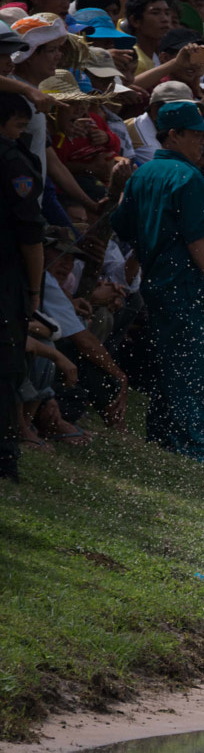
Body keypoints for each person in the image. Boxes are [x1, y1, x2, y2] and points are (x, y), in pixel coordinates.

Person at [106, 100, 204, 462]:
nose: (201, 143)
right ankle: (188, 445)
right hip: (188, 283)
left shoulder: (141, 174)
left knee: (167, 362)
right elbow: (196, 237)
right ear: (173, 134)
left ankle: (161, 435)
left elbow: (123, 225)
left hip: (155, 283)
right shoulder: (188, 176)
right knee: (194, 367)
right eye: (195, 135)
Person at [0, 92, 42, 480]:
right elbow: (31, 237)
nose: (22, 136)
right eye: (17, 127)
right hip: (7, 278)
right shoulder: (13, 162)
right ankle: (5, 457)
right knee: (6, 366)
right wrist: (34, 292)